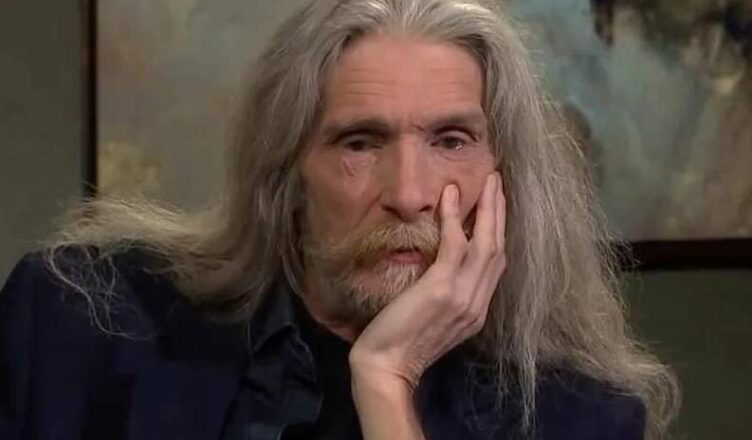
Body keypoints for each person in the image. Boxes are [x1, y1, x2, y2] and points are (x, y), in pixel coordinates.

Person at [0, 0, 680, 439]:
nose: (409, 194)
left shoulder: (579, 421)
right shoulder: (79, 322)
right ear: (288, 172)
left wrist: (387, 382)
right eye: (360, 143)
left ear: (503, 178)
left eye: (451, 141)